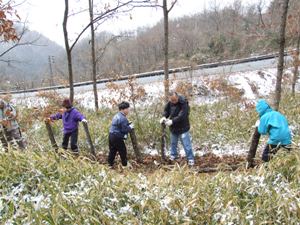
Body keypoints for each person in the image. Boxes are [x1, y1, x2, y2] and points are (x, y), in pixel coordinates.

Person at [160, 92, 195, 166]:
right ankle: (173, 155)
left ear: (177, 97)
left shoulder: (183, 103)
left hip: (183, 127)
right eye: (172, 100)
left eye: (174, 100)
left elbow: (182, 115)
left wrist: (172, 121)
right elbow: (166, 111)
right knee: (173, 143)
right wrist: (164, 117)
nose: (173, 102)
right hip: (174, 128)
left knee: (186, 144)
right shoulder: (170, 103)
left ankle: (190, 159)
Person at [108, 101, 134, 168]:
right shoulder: (123, 118)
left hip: (111, 135)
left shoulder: (116, 115)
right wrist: (130, 127)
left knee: (112, 151)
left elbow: (119, 125)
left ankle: (109, 164)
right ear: (123, 109)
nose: (128, 110)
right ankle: (124, 165)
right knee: (123, 151)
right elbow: (124, 130)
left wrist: (127, 124)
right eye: (127, 109)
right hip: (117, 137)